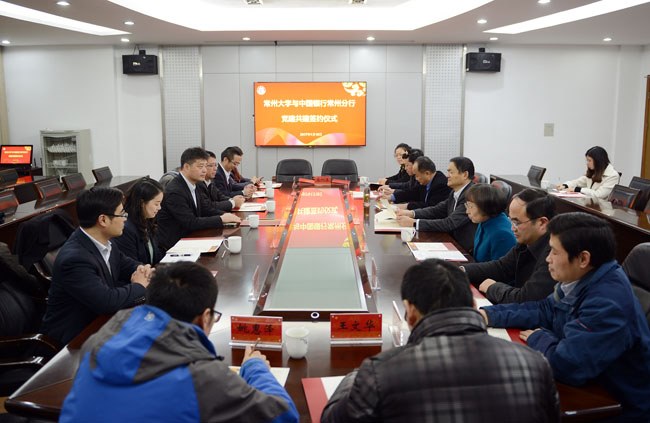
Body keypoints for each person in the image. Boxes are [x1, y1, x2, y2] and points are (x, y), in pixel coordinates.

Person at [321, 259, 559, 423]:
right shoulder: (536, 364)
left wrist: (358, 374)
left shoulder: (380, 373)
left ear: (410, 312)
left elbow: (332, 419)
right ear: (473, 305)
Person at [60, 262, 299, 423]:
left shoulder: (98, 341)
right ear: (205, 317)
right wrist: (255, 367)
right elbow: (284, 415)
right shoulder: (201, 376)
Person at [480, 213, 650, 421]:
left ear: (583, 259)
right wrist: (489, 314)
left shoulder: (608, 303)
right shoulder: (581, 277)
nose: (548, 259)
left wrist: (539, 338)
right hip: (589, 385)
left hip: (615, 407)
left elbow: (568, 366)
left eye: (554, 252)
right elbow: (545, 309)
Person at [41, 187, 151, 346]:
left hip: (102, 325)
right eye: (122, 214)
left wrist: (144, 270)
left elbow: (129, 265)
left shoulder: (105, 242)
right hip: (74, 339)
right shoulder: (75, 259)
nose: (125, 219)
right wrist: (139, 285)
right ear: (103, 220)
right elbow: (107, 301)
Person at [462, 188, 556, 304]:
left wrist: (493, 287)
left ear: (542, 223)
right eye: (510, 220)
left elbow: (527, 299)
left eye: (517, 222)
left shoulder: (554, 253)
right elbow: (502, 267)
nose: (512, 228)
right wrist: (461, 271)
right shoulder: (526, 241)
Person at [157, 147, 241, 251]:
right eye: (200, 166)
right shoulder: (175, 191)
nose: (204, 170)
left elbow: (205, 209)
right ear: (186, 167)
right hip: (175, 246)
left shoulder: (194, 184)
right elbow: (190, 222)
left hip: (192, 238)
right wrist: (221, 219)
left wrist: (226, 215)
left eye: (205, 166)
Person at [396, 156, 476, 252]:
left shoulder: (471, 195)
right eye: (448, 172)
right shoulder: (456, 192)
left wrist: (414, 223)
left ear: (465, 175)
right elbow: (437, 210)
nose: (447, 176)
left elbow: (450, 223)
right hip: (451, 243)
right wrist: (411, 213)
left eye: (451, 172)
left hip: (464, 250)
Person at [113, 177, 165, 265]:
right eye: (156, 204)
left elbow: (156, 255)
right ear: (142, 203)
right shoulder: (126, 229)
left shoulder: (147, 220)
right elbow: (131, 265)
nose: (159, 208)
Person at [465, 183, 516, 262]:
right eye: (467, 205)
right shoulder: (485, 220)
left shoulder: (502, 235)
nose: (467, 211)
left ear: (486, 207)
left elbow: (499, 268)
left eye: (471, 206)